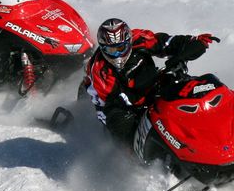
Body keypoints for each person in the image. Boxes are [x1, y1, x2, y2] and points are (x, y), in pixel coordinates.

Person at [83, 18, 218, 146]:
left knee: (182, 82)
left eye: (121, 48)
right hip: (113, 104)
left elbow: (167, 43)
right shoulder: (101, 71)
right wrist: (151, 82)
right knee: (120, 123)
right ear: (103, 48)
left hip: (150, 83)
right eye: (111, 50)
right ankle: (133, 157)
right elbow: (121, 100)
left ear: (129, 42)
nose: (117, 55)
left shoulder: (140, 39)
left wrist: (192, 43)